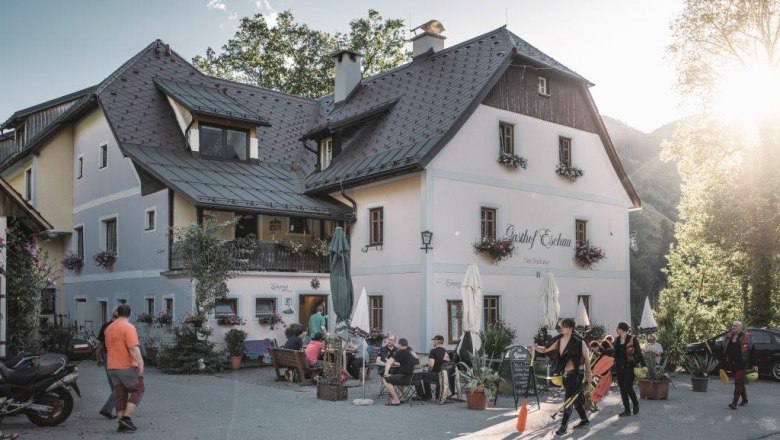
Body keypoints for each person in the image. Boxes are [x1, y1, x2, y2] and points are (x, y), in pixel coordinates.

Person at [534, 318, 593, 436]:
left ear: (570, 328)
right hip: (566, 374)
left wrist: (589, 374)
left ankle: (563, 426)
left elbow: (586, 358)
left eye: (563, 326)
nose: (561, 328)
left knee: (568, 399)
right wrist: (536, 347)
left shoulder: (578, 341)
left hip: (577, 373)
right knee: (574, 398)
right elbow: (545, 349)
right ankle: (584, 420)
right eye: (561, 326)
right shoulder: (559, 340)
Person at [105, 304, 145, 433]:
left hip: (111, 366)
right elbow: (133, 347)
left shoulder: (109, 328)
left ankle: (121, 423)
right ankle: (126, 418)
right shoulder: (128, 327)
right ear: (130, 313)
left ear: (117, 313)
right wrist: (140, 363)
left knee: (120, 394)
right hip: (126, 365)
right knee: (138, 389)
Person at [722, 321, 757, 409]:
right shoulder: (728, 336)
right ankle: (745, 399)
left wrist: (755, 364)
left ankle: (734, 403)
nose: (733, 327)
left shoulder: (746, 337)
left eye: (735, 326)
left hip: (743, 363)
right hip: (732, 363)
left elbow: (753, 351)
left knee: (737, 382)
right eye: (732, 325)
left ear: (740, 328)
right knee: (740, 382)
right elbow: (724, 348)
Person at [613, 321, 644, 417]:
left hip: (630, 366)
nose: (616, 329)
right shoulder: (617, 340)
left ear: (623, 329)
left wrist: (644, 365)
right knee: (622, 389)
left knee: (627, 386)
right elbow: (615, 355)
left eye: (618, 328)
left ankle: (635, 404)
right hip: (619, 367)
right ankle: (627, 410)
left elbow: (638, 352)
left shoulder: (632, 339)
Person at [96, 309, 119, 420]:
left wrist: (99, 358)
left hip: (106, 356)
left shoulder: (105, 326)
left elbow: (99, 344)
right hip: (118, 358)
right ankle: (108, 408)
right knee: (120, 385)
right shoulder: (121, 326)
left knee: (113, 385)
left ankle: (118, 409)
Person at [381, 338, 419, 406]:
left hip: (406, 378)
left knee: (385, 379)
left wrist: (386, 374)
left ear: (399, 344)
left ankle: (395, 400)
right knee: (398, 375)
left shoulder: (401, 351)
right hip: (415, 378)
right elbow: (410, 362)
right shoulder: (411, 351)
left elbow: (389, 362)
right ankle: (402, 397)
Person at [414, 335, 451, 401]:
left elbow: (431, 365)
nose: (433, 342)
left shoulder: (433, 351)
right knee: (425, 375)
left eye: (434, 340)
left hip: (437, 375)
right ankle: (428, 395)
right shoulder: (446, 351)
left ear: (437, 341)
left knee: (418, 375)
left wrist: (429, 371)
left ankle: (421, 395)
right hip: (445, 377)